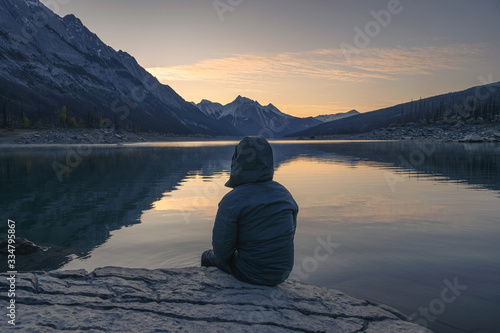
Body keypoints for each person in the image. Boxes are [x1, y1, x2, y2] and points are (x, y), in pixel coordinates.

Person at [201, 136, 298, 286]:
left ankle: (210, 291)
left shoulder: (232, 200)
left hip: (250, 273)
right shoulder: (285, 194)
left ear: (237, 161)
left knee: (207, 256)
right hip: (281, 273)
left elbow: (221, 253)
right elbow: (290, 234)